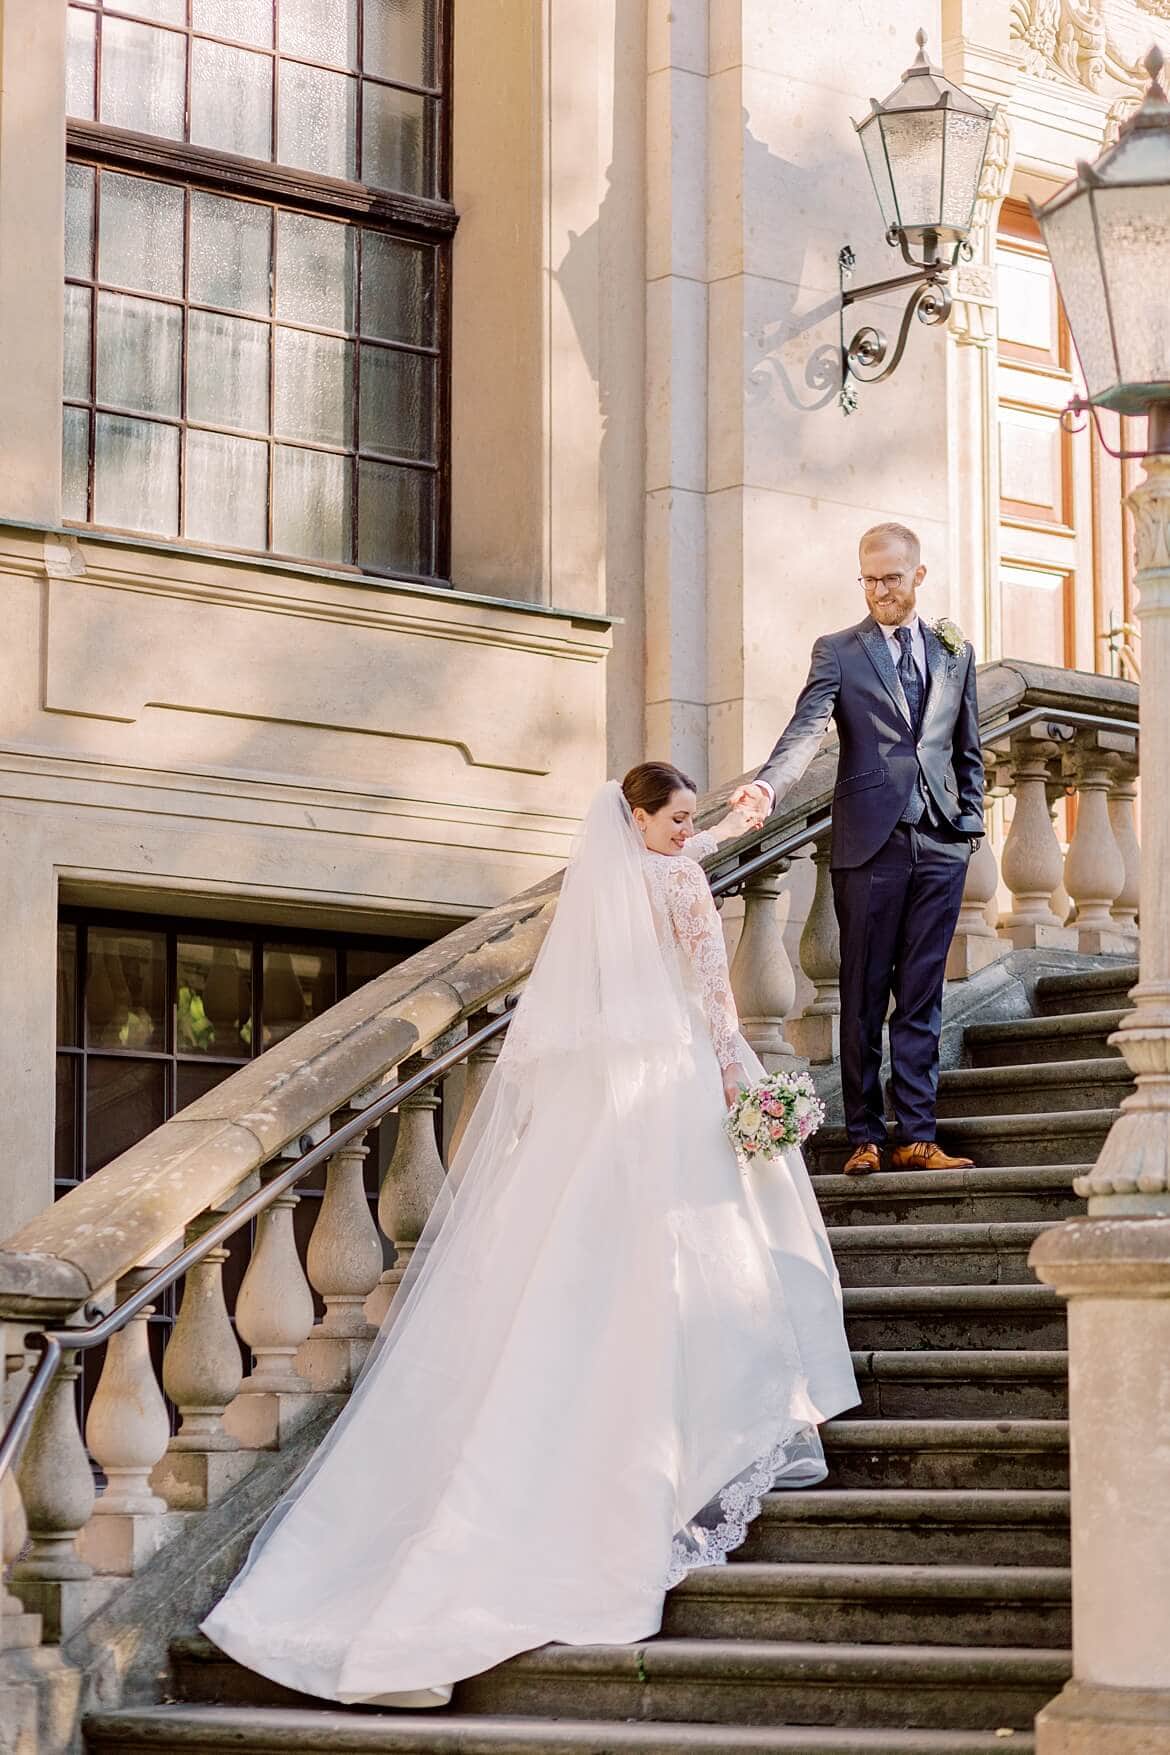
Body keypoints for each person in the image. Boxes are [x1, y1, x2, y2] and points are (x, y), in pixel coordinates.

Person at [201, 762, 858, 1707]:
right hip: (676, 1077)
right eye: (674, 819)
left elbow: (676, 865)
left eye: (686, 821)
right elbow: (717, 998)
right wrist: (740, 1077)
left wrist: (729, 821)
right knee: (696, 1260)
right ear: (637, 818)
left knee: (584, 1271)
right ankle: (692, 1439)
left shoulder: (615, 875)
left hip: (606, 1100)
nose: (685, 832)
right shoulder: (670, 880)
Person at [733, 522, 985, 1177]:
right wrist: (769, 785)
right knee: (863, 993)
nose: (878, 591)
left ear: (918, 577)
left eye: (891, 579)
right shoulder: (839, 651)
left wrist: (967, 828)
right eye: (868, 579)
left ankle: (918, 1135)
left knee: (923, 994)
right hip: (868, 844)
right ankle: (866, 1137)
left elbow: (967, 749)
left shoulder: (955, 652)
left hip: (940, 843)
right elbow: (805, 729)